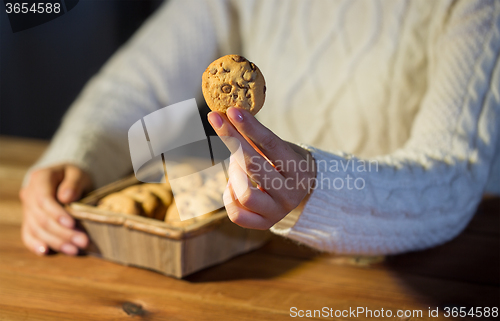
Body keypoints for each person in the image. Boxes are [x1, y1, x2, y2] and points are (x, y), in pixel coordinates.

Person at [20, 0, 500, 256]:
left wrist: (318, 188)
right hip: (253, 251)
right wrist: (74, 158)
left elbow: (452, 177)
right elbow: (135, 87)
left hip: (424, 266)